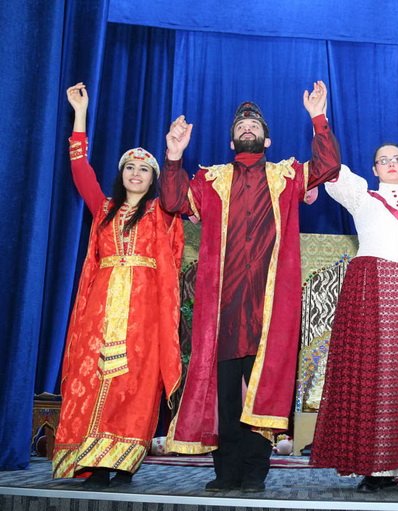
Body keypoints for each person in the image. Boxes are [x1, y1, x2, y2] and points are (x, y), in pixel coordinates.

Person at [159, 82, 341, 492]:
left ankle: (255, 472)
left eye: (254, 123)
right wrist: (173, 155)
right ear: (231, 138)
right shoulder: (211, 179)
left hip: (268, 307)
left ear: (267, 138)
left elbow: (328, 165)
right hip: (221, 309)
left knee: (263, 392)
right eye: (241, 123)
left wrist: (318, 117)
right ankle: (225, 473)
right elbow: (173, 202)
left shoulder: (287, 175)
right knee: (225, 396)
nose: (247, 126)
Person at [53, 83, 183, 489]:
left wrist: (174, 152)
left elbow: (185, 198)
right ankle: (93, 460)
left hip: (142, 315)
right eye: (130, 167)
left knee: (135, 383)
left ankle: (123, 461)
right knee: (93, 378)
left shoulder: (163, 214)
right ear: (121, 174)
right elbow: (80, 170)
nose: (136, 173)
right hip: (100, 306)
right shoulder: (104, 208)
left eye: (144, 169)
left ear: (153, 178)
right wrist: (80, 115)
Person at [310, 142, 398, 491]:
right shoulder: (361, 196)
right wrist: (319, 120)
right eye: (383, 160)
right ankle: (368, 465)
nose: (390, 164)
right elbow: (329, 166)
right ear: (374, 169)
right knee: (368, 372)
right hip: (369, 289)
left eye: (397, 159)